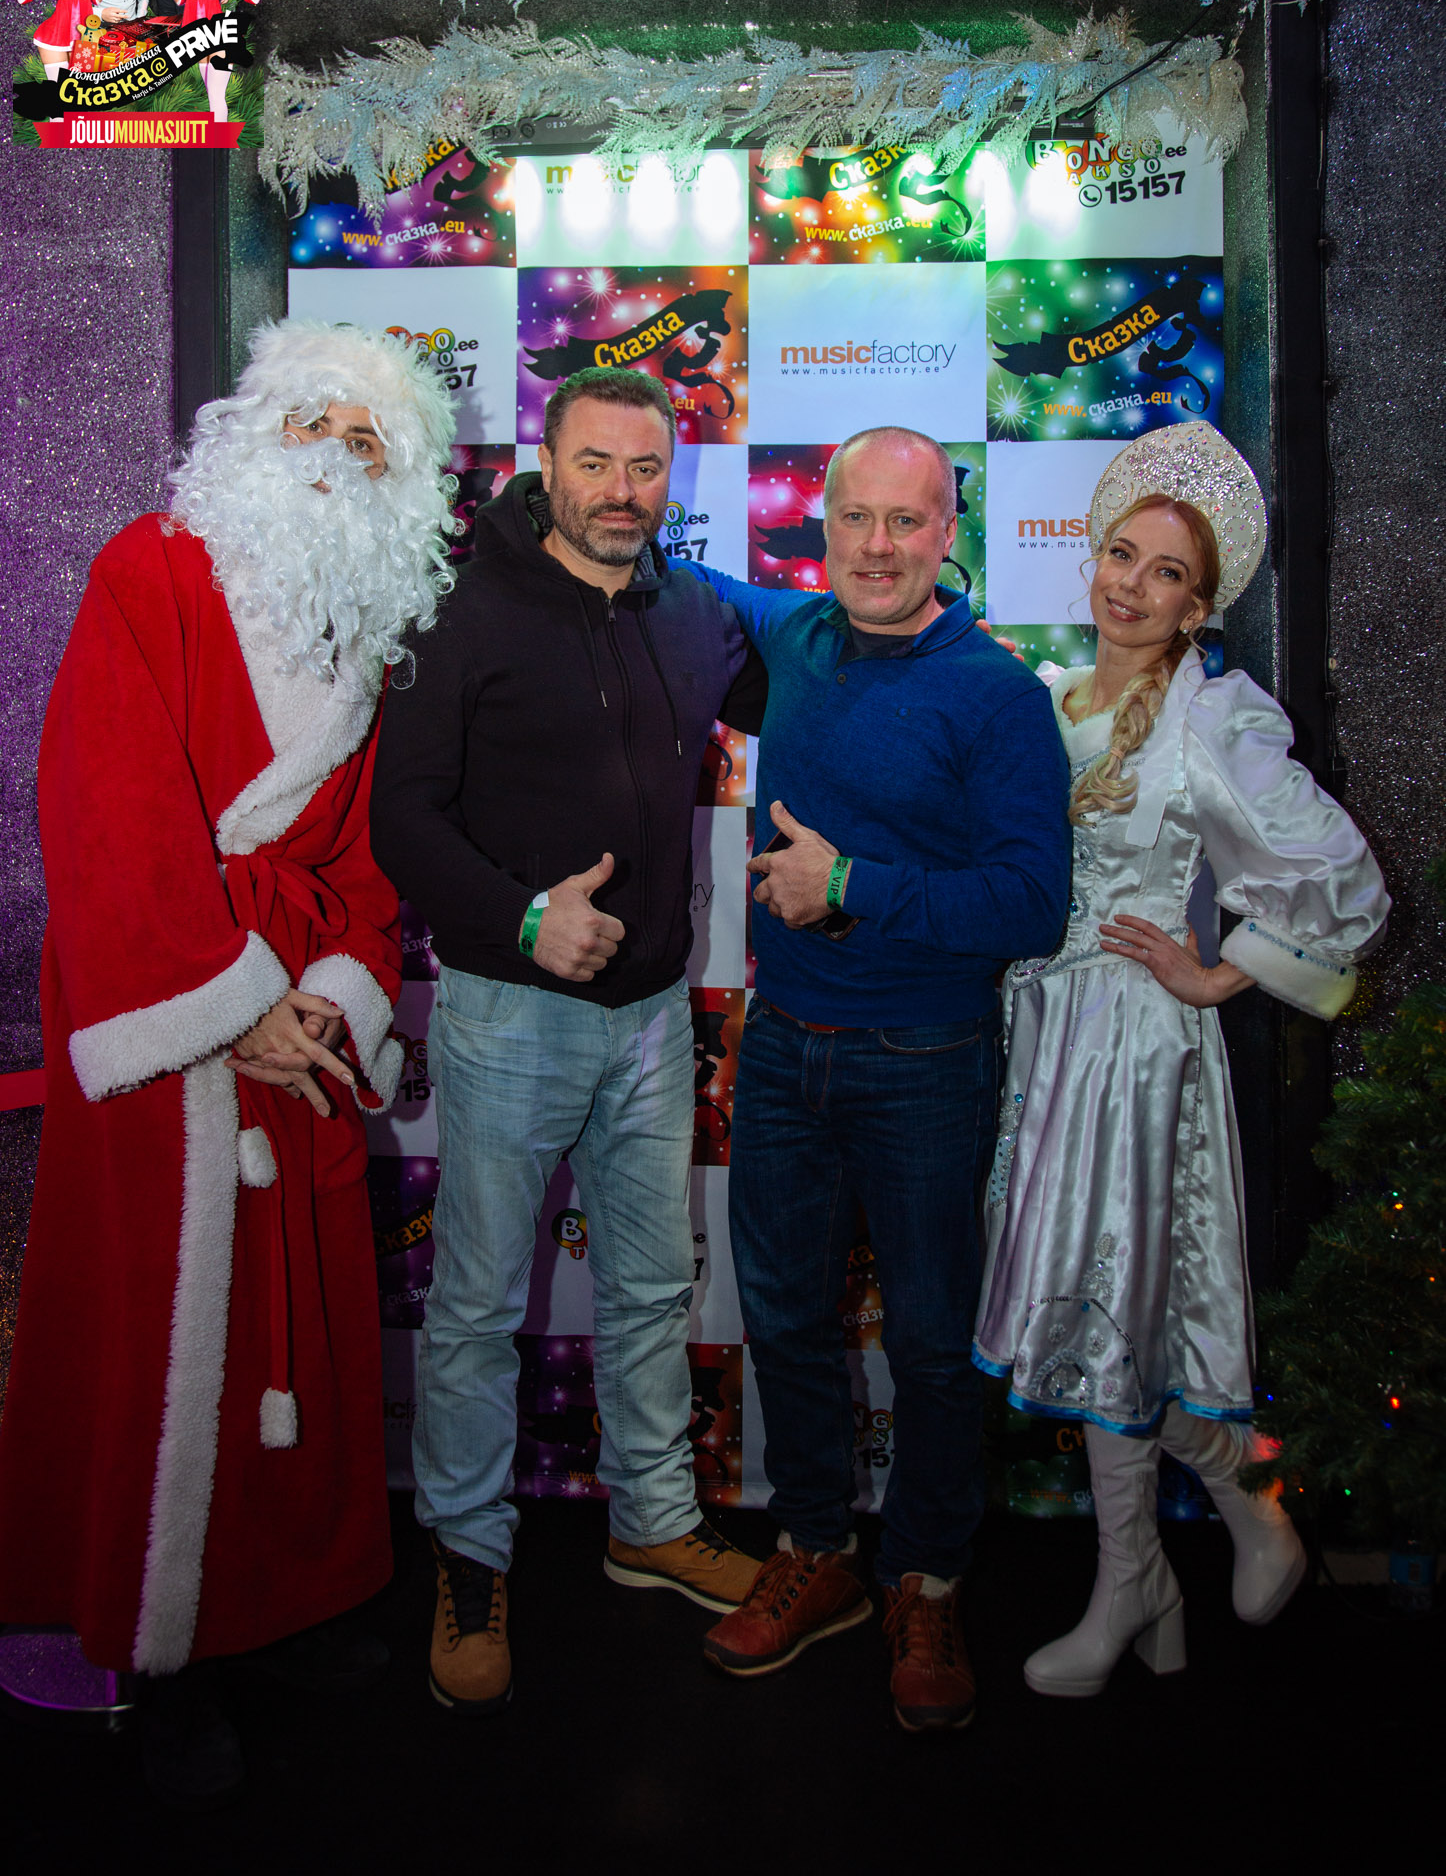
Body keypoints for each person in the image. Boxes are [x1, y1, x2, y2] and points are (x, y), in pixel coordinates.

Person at [0, 319, 458, 1805]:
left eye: (370, 441)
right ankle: (157, 1650)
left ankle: (274, 1605)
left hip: (289, 1025)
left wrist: (328, 996)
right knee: (163, 1339)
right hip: (169, 1022)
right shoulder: (148, 570)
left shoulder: (367, 633)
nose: (336, 456)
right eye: (315, 421)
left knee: (290, 1334)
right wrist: (229, 1004)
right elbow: (107, 807)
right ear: (256, 430)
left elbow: (361, 858)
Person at [370, 367, 770, 1718]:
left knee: (651, 1286)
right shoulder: (458, 608)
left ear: (673, 477)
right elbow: (402, 815)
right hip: (508, 1013)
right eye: (594, 463)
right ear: (546, 465)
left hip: (653, 1016)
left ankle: (651, 1521)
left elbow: (820, 684)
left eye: (645, 468)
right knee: (477, 1308)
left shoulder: (694, 611)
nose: (620, 491)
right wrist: (523, 917)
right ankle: (470, 1557)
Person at [972, 421, 1390, 1696]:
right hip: (1047, 1040)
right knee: (1090, 1313)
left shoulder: (1212, 717)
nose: (1133, 586)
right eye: (1121, 555)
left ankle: (1143, 1576)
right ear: (1091, 558)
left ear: (1199, 605)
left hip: (1139, 1050)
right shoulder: (1045, 697)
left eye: (1166, 573)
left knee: (1117, 1315)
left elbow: (1343, 876)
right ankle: (1198, 1535)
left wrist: (1222, 969)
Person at [690, 427, 1072, 1732]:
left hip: (926, 1061)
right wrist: (542, 500)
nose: (876, 545)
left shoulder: (995, 695)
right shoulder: (795, 634)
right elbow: (658, 572)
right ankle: (817, 1547)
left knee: (928, 1341)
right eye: (855, 517)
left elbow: (1029, 903)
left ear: (948, 534)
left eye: (906, 522)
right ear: (824, 525)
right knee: (786, 1317)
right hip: (785, 1048)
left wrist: (849, 883)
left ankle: (930, 1576)